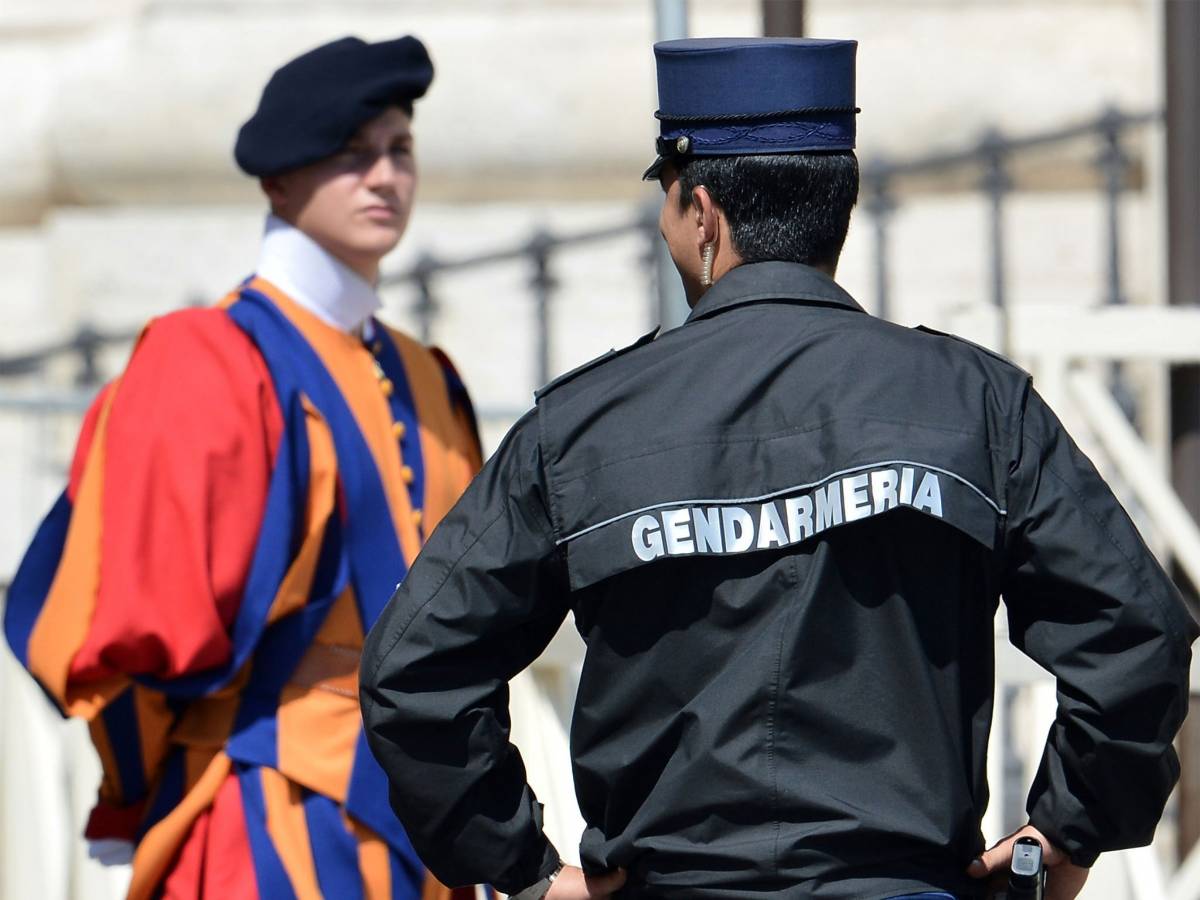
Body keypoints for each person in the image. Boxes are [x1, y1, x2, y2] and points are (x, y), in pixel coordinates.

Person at [359, 37, 1198, 900]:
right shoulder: (974, 403)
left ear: (706, 216)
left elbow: (413, 670)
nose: (661, 226)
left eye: (667, 201)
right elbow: (1137, 631)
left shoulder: (582, 427)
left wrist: (524, 872)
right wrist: (1068, 829)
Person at [4, 35, 484, 900]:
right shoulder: (208, 362)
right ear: (278, 180)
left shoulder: (427, 376)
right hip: (267, 818)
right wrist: (131, 790)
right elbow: (138, 634)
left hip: (433, 829)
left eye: (399, 150)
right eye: (351, 153)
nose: (384, 177)